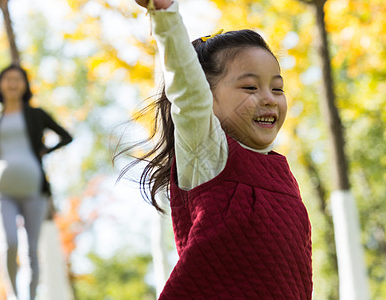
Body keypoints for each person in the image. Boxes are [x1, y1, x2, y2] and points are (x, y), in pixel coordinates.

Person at [131, 0, 313, 298]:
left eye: (277, 88)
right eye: (250, 88)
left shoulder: (283, 176)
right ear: (209, 98)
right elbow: (188, 91)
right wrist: (165, 15)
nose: (269, 98)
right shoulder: (208, 153)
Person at [0, 64, 72, 300]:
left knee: (31, 251)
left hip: (33, 189)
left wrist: (46, 149)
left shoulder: (36, 114)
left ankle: (31, 297)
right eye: (8, 79)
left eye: (18, 79)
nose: (13, 83)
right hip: (0, 191)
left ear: (25, 85)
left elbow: (66, 135)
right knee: (9, 243)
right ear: (0, 85)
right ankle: (14, 296)